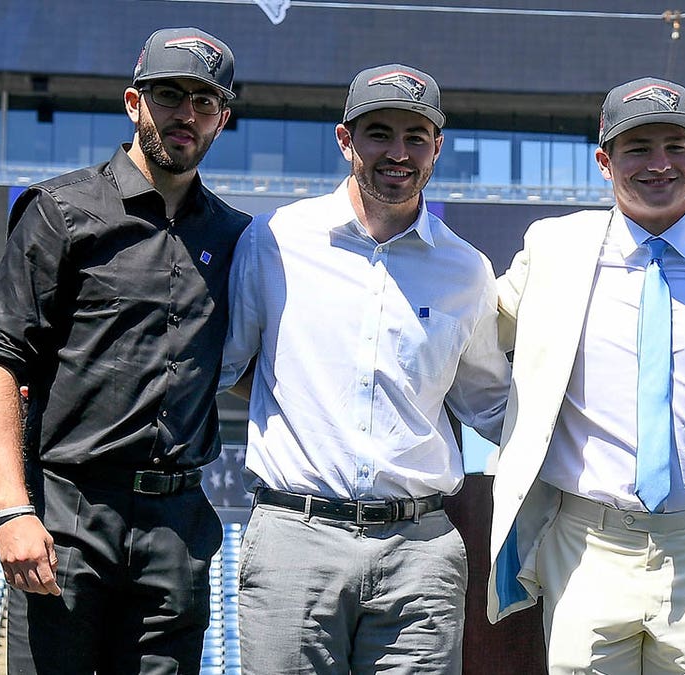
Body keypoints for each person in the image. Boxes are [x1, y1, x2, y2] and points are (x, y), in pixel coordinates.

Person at [0, 27, 247, 674]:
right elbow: (0, 359)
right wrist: (11, 508)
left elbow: (250, 369)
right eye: (170, 95)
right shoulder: (61, 211)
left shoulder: (236, 237)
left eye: (205, 103)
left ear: (222, 119)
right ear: (133, 102)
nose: (187, 114)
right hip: (67, 514)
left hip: (179, 528)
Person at [219, 63, 510, 674]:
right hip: (295, 537)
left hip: (420, 551)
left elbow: (489, 405)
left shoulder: (466, 270)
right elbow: (229, 366)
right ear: (346, 140)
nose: (397, 152)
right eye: (379, 133)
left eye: (415, 136)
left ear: (437, 146)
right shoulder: (275, 240)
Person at [486, 76, 685, 674]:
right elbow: (471, 341)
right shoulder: (553, 249)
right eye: (638, 149)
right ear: (604, 160)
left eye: (675, 146)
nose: (659, 164)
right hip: (587, 547)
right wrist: (506, 426)